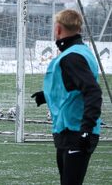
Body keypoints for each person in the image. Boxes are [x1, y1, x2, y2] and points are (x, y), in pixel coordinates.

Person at [31, 9, 102, 185]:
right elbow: (72, 87)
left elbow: (93, 92)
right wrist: (47, 96)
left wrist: (86, 129)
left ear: (59, 30)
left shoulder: (72, 57)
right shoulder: (78, 51)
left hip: (76, 132)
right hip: (69, 132)